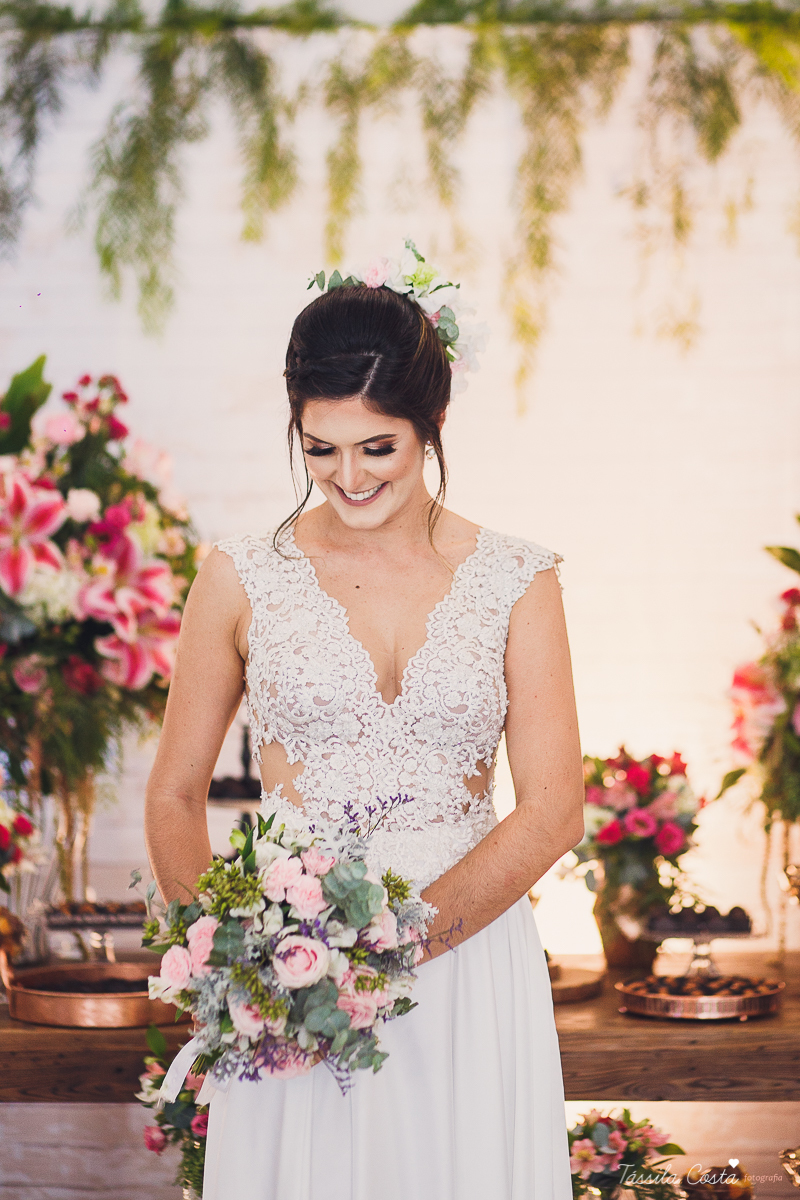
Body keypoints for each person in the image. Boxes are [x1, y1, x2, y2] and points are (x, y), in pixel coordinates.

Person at [145, 255, 584, 1200]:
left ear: (432, 426)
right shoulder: (238, 575)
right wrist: (226, 963)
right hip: (291, 974)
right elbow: (176, 792)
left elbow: (553, 811)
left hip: (468, 965)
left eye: (377, 447)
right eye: (319, 448)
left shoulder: (519, 578)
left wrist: (394, 950)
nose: (346, 477)